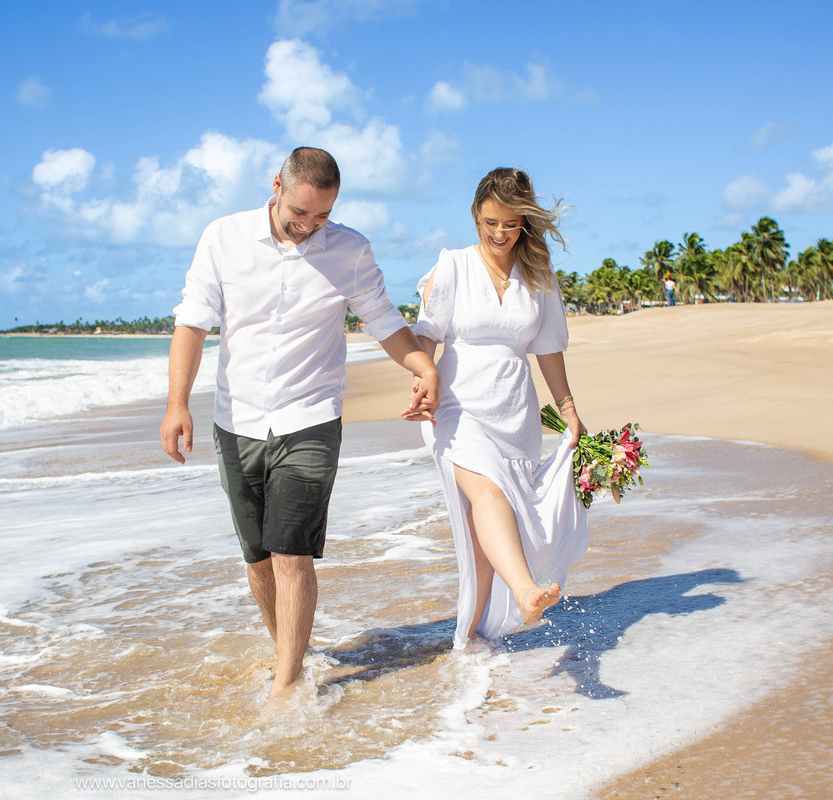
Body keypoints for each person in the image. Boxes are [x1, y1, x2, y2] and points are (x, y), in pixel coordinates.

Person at [160, 147, 441, 699]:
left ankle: (287, 686)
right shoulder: (223, 237)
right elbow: (192, 324)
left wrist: (422, 363)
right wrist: (177, 404)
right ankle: (290, 651)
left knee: (291, 553)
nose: (310, 226)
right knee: (259, 558)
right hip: (235, 417)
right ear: (276, 187)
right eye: (300, 213)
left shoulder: (351, 250)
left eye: (323, 216)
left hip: (311, 416)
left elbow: (383, 320)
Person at [405, 167, 589, 649]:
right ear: (475, 216)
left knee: (485, 532)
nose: (499, 233)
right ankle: (526, 591)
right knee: (489, 494)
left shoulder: (539, 277)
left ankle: (471, 639)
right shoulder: (453, 266)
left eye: (510, 224)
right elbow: (426, 334)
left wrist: (567, 407)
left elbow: (548, 347)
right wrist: (423, 379)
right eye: (490, 222)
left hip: (515, 412)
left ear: (524, 223)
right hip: (456, 406)